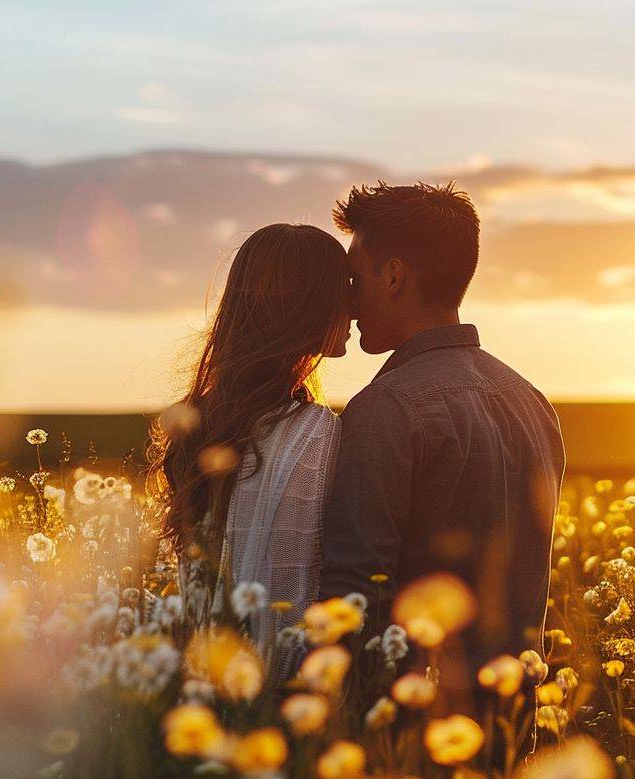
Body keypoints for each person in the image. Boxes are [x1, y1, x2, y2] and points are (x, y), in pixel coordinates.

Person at [320, 182, 566, 709]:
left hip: (417, 731)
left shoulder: (385, 409)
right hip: (512, 718)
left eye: (354, 277)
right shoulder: (531, 401)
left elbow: (354, 595)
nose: (348, 298)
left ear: (392, 277)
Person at [151, 223, 351, 681]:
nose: (354, 310)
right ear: (309, 307)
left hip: (201, 685)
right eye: (343, 292)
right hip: (279, 695)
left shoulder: (204, 421)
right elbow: (294, 589)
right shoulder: (312, 433)